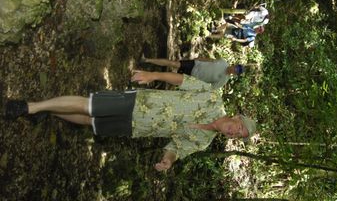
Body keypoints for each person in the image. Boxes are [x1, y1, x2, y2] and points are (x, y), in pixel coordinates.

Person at [5, 70, 257, 172]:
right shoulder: (213, 98)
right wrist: (152, 74)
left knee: (88, 122)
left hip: (138, 128)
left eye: (239, 135)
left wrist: (167, 161)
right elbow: (183, 81)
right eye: (239, 127)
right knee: (89, 105)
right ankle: (28, 107)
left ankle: (45, 111)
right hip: (138, 102)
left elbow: (176, 148)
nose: (236, 132)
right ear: (235, 117)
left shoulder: (204, 141)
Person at [141, 56, 244, 89]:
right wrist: (199, 59)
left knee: (173, 77)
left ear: (235, 74)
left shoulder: (223, 81)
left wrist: (193, 86)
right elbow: (210, 60)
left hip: (192, 77)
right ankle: (147, 60)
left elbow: (208, 88)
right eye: (235, 68)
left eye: (236, 71)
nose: (234, 70)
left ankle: (148, 76)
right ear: (234, 65)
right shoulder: (223, 62)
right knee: (174, 63)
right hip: (196, 64)